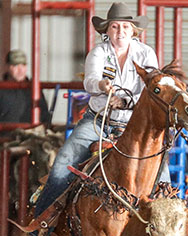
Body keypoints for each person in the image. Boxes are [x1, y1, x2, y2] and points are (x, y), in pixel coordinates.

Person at [31, 2, 159, 219]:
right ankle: (41, 225)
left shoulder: (146, 54)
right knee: (63, 163)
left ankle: (166, 230)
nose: (120, 32)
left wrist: (125, 102)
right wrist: (102, 86)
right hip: (98, 122)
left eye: (125, 27)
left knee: (160, 175)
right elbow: (90, 80)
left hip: (134, 126)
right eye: (115, 27)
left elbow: (152, 89)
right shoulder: (99, 52)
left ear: (133, 30)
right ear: (107, 30)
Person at [0, 49, 51, 125]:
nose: (20, 70)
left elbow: (44, 117)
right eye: (15, 65)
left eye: (23, 65)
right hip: (4, 135)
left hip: (29, 135)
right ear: (7, 66)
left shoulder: (35, 89)